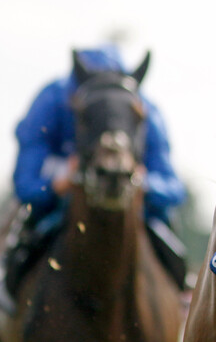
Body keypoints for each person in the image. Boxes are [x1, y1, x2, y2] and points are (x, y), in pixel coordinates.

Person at [0, 45, 187, 309]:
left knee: (171, 242)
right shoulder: (51, 100)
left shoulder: (146, 110)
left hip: (135, 211)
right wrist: (57, 185)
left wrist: (146, 184)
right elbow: (25, 184)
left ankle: (182, 296)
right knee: (21, 235)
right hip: (58, 206)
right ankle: (9, 300)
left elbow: (173, 189)